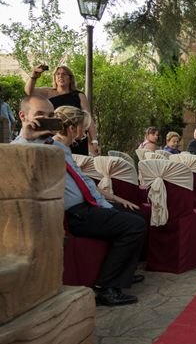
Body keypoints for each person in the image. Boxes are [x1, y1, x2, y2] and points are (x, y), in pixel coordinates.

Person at [13, 96, 146, 306]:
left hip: (86, 207)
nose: (47, 120)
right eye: (40, 115)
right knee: (134, 225)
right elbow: (13, 157)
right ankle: (107, 288)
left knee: (135, 216)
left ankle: (122, 272)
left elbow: (83, 181)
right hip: (75, 214)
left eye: (50, 116)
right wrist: (26, 135)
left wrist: (110, 202)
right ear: (23, 116)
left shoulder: (54, 145)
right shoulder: (31, 147)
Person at [25, 64, 99, 156]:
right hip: (55, 138)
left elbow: (88, 118)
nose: (60, 76)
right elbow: (29, 92)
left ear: (70, 78)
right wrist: (33, 77)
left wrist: (94, 141)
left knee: (76, 166)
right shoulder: (48, 92)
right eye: (58, 74)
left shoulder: (79, 95)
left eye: (64, 74)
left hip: (76, 138)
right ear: (55, 78)